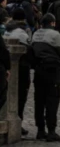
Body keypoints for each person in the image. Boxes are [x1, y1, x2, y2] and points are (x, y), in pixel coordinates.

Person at [30, 13, 60, 142]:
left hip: (39, 70)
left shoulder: (35, 34)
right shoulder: (55, 35)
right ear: (52, 23)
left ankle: (40, 130)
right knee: (52, 100)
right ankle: (51, 131)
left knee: (39, 100)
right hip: (52, 70)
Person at [3, 9, 31, 137]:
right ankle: (17, 122)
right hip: (22, 67)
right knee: (21, 96)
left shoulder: (7, 30)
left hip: (6, 67)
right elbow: (29, 50)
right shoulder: (23, 32)